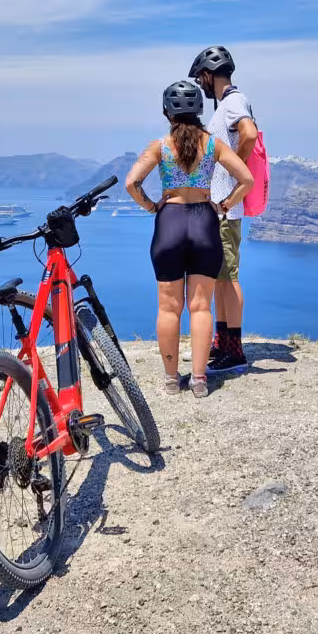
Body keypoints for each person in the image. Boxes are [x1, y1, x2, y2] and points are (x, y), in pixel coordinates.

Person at [125, 80, 253, 399]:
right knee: (200, 307)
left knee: (169, 308)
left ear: (167, 112)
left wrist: (152, 206)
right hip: (204, 222)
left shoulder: (159, 146)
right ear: (198, 110)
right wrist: (223, 205)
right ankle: (198, 379)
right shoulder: (213, 145)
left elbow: (132, 183)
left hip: (170, 221)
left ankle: (171, 379)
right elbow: (246, 179)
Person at [189, 45, 259, 375]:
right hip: (220, 208)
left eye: (201, 78)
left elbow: (249, 133)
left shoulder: (232, 102)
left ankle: (235, 350)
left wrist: (236, 168)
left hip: (226, 209)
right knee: (219, 278)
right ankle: (222, 342)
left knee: (228, 278)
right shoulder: (226, 105)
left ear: (209, 74)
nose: (200, 85)